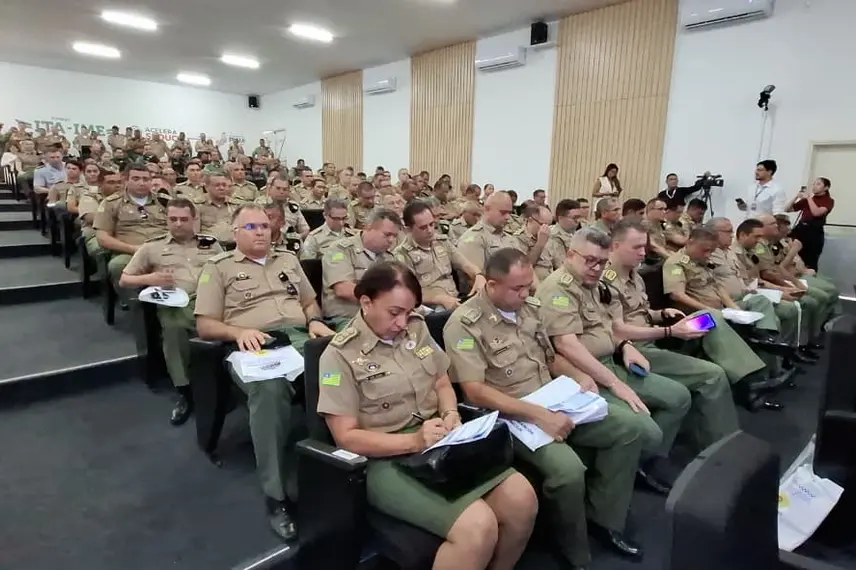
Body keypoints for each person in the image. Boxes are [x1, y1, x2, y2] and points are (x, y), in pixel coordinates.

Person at [319, 262, 537, 570]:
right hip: (386, 460)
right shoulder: (338, 355)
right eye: (393, 312)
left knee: (522, 499)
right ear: (366, 302)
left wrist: (450, 413)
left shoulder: (417, 327)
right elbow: (346, 437)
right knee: (477, 527)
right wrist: (413, 440)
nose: (401, 322)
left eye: (408, 312)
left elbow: (440, 381)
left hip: (438, 438)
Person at [444, 248, 646, 566]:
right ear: (492, 285)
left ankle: (604, 519)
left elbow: (550, 358)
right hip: (511, 414)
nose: (526, 294)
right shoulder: (464, 324)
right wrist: (538, 414)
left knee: (630, 430)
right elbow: (475, 392)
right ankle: (573, 548)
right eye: (518, 289)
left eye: (528, 286)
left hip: (553, 397)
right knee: (567, 471)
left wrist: (581, 377)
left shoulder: (530, 308)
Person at [195, 203, 335, 541]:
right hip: (253, 346)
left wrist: (315, 320)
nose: (261, 232)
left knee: (340, 370)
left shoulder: (287, 260)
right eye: (251, 227)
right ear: (235, 233)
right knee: (269, 389)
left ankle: (339, 467)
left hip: (301, 339)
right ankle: (277, 495)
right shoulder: (219, 268)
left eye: (264, 226)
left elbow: (308, 302)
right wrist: (237, 332)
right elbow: (205, 324)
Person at [535, 227, 691, 493]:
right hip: (582, 374)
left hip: (613, 361)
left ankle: (639, 465)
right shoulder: (558, 289)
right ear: (571, 255)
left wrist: (625, 345)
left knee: (679, 397)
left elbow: (609, 327)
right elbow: (567, 345)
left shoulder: (594, 284)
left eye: (602, 262)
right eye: (590, 260)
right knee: (645, 431)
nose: (596, 268)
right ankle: (612, 479)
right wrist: (615, 383)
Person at [604, 218, 745, 440]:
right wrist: (670, 331)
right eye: (637, 247)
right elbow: (618, 330)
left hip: (654, 336)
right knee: (713, 375)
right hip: (634, 349)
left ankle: (743, 369)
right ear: (615, 246)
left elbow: (639, 312)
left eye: (645, 246)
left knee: (709, 319)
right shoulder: (605, 281)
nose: (643, 253)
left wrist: (662, 314)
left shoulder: (634, 275)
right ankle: (724, 441)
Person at [119, 198, 222, 425]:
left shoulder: (211, 244)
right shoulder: (151, 247)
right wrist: (151, 279)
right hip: (176, 302)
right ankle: (185, 392)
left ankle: (227, 383)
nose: (178, 224)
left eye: (184, 219)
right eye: (172, 219)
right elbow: (125, 279)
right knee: (175, 329)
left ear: (194, 220)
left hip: (213, 300)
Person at [394, 201, 485, 310]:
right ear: (408, 229)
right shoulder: (402, 254)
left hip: (455, 299)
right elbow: (408, 292)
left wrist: (478, 275)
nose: (430, 230)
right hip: (430, 307)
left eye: (432, 224)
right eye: (423, 228)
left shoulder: (442, 242)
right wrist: (439, 298)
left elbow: (465, 264)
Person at [322, 209, 402, 328]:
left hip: (382, 316)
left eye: (394, 236)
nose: (391, 240)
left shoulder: (388, 257)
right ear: (368, 227)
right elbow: (343, 289)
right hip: (346, 318)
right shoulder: (340, 250)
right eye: (387, 235)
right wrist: (386, 300)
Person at [94, 163, 168, 287]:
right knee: (117, 266)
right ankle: (133, 302)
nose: (142, 183)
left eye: (146, 179)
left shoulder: (164, 201)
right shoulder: (111, 203)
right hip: (129, 252)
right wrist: (134, 249)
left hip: (164, 249)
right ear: (126, 181)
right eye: (136, 179)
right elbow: (103, 238)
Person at [457, 192, 521, 273]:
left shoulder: (511, 239)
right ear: (487, 209)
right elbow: (476, 279)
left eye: (509, 213)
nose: (508, 217)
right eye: (503, 212)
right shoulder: (473, 238)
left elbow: (525, 267)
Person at [785, 177, 834, 270]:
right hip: (801, 228)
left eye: (818, 184)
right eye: (814, 184)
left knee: (809, 260)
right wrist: (796, 197)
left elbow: (817, 213)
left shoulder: (828, 200)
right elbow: (787, 209)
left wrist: (808, 198)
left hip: (814, 232)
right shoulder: (809, 199)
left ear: (826, 188)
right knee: (793, 255)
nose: (814, 186)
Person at [515, 203, 555, 281]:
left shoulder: (548, 236)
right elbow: (524, 266)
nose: (546, 229)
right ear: (530, 220)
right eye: (543, 225)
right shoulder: (518, 239)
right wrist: (540, 243)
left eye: (549, 225)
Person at [546, 199, 585, 270]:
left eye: (579, 217)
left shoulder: (573, 234)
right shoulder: (554, 237)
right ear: (561, 218)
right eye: (575, 218)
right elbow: (562, 267)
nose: (578, 221)